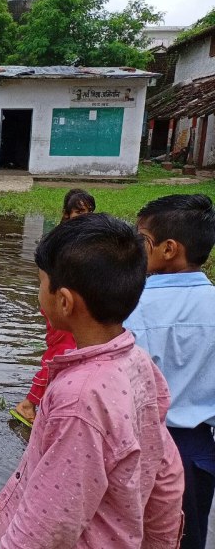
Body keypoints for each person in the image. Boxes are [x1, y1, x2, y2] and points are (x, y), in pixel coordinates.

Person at [0, 213, 184, 548]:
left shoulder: (78, 398)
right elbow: (166, 475)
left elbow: (47, 526)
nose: (38, 295)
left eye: (39, 284)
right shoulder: (138, 362)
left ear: (64, 301)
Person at [124, 194, 215, 549]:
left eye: (141, 240)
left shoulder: (133, 306)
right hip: (198, 452)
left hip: (143, 446)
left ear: (168, 249)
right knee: (189, 536)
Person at [12, 188, 96, 424]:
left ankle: (56, 400)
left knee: (71, 352)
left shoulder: (87, 239)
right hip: (60, 304)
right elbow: (46, 274)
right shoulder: (58, 241)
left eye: (89, 211)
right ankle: (29, 403)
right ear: (66, 213)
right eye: (79, 211)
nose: (85, 216)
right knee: (60, 352)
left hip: (77, 303)